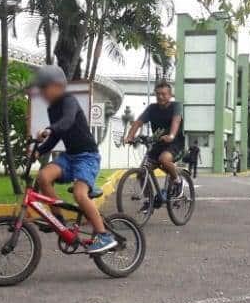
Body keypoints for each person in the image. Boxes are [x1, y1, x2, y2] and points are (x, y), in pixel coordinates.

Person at [32, 65, 117, 254]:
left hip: (87, 157)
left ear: (57, 86)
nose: (42, 93)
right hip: (69, 157)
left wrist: (49, 129)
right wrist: (39, 150)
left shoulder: (68, 101)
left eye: (45, 88)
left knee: (79, 195)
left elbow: (67, 122)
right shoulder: (52, 109)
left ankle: (103, 235)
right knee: (43, 177)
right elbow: (56, 136)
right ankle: (59, 222)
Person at [124, 82, 185, 199]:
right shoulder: (152, 108)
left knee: (164, 159)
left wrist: (171, 135)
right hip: (158, 144)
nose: (160, 97)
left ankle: (177, 181)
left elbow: (176, 121)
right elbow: (138, 123)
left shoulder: (176, 106)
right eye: (158, 94)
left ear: (170, 95)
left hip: (175, 144)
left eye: (163, 94)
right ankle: (149, 200)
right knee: (142, 172)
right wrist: (130, 136)